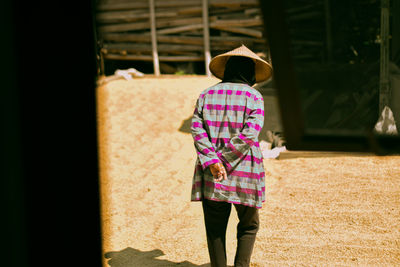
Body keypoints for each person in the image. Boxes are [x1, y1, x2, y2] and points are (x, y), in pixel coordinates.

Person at [190, 45, 273, 267]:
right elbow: (249, 135)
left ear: (227, 69)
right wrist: (225, 160)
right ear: (250, 71)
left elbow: (197, 130)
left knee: (215, 228)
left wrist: (214, 161)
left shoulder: (206, 95)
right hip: (245, 171)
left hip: (212, 175)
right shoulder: (254, 96)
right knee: (248, 225)